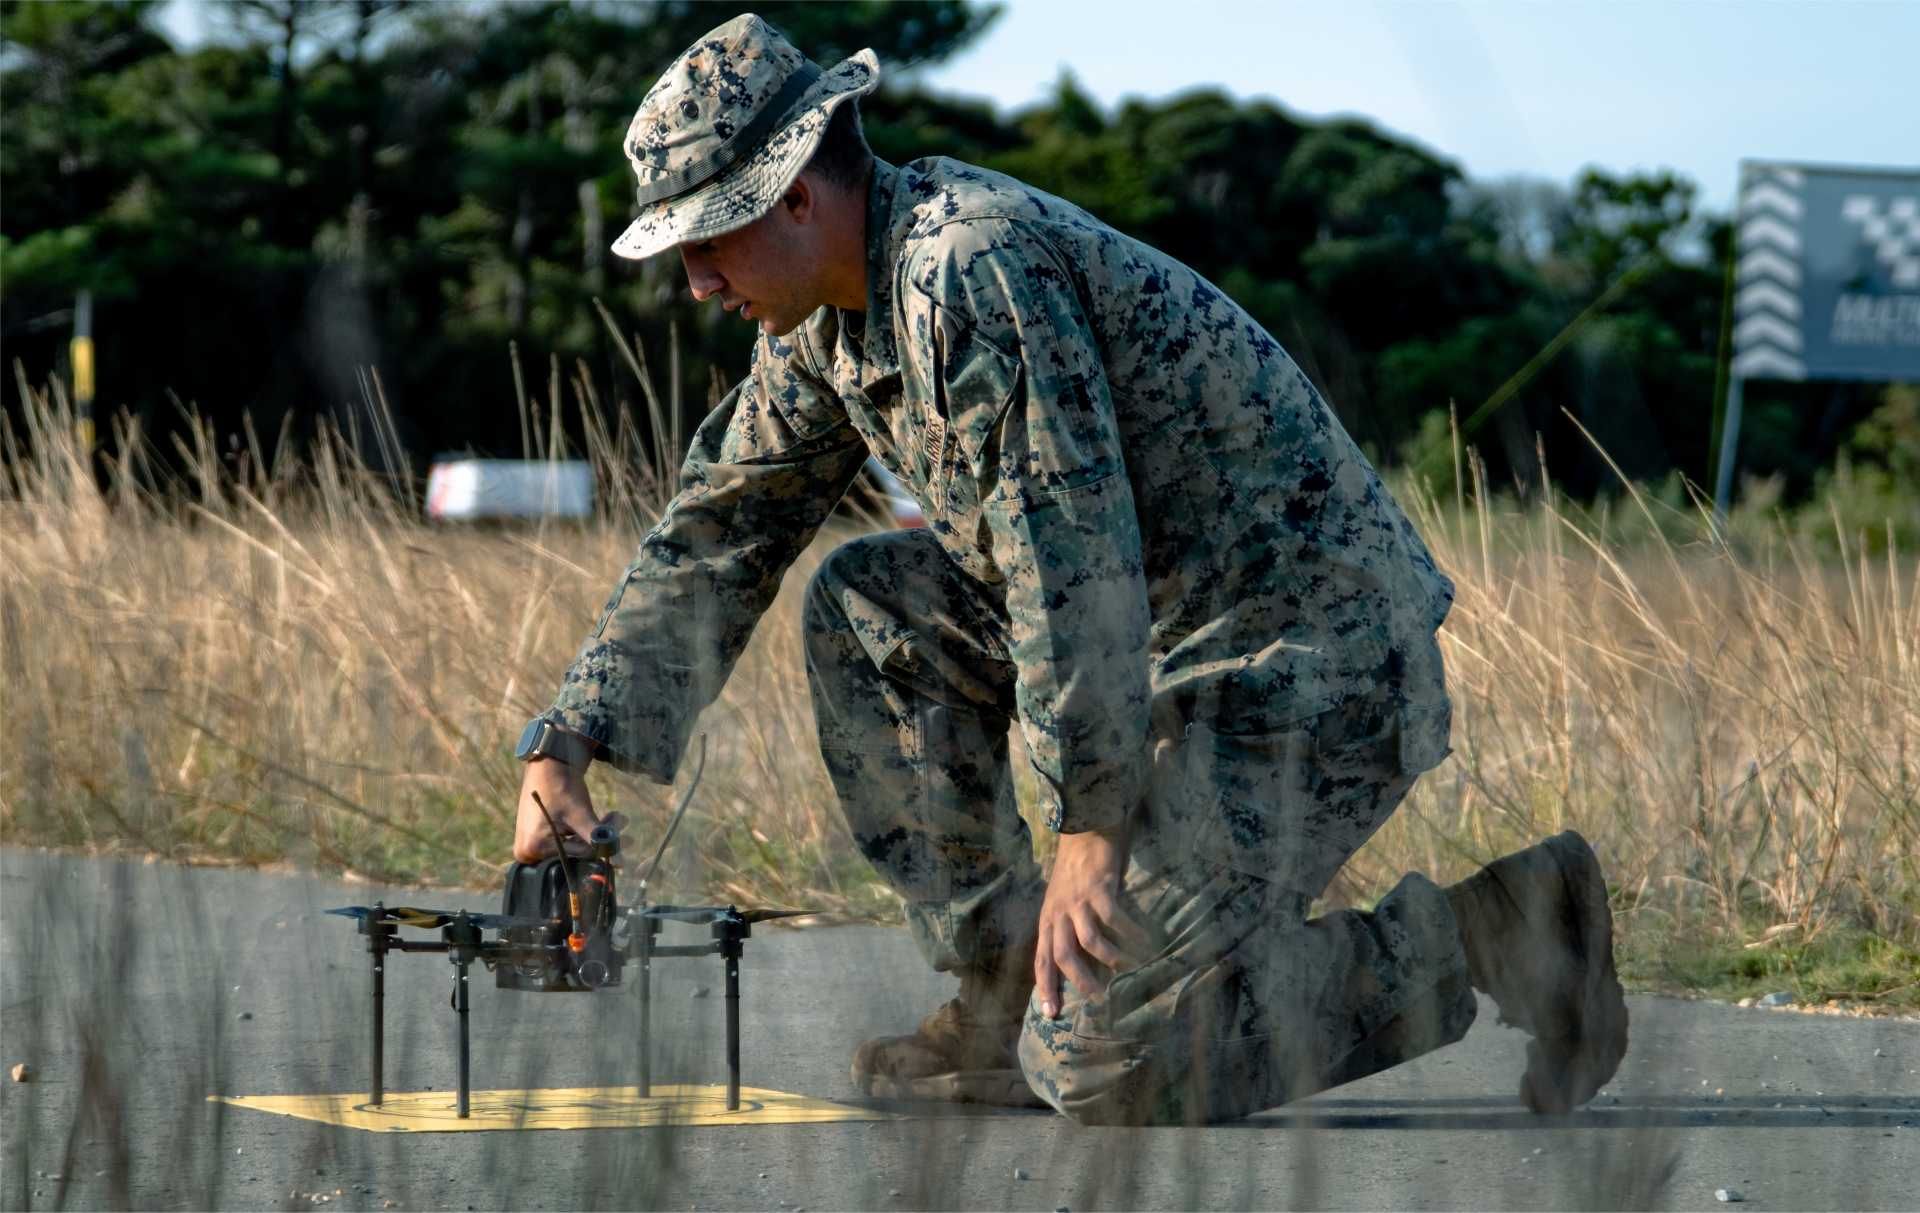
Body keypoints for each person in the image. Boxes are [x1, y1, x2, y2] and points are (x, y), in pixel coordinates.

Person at [509, 13, 1627, 1125]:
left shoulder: (965, 270)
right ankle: (1005, 987)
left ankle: (1512, 928)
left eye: (708, 239)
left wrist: (1089, 832)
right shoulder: (823, 320)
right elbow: (718, 528)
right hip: (1163, 646)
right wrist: (567, 744)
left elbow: (1070, 555)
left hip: (1307, 664)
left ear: (797, 194)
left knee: (1102, 1060)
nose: (696, 280)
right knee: (868, 607)